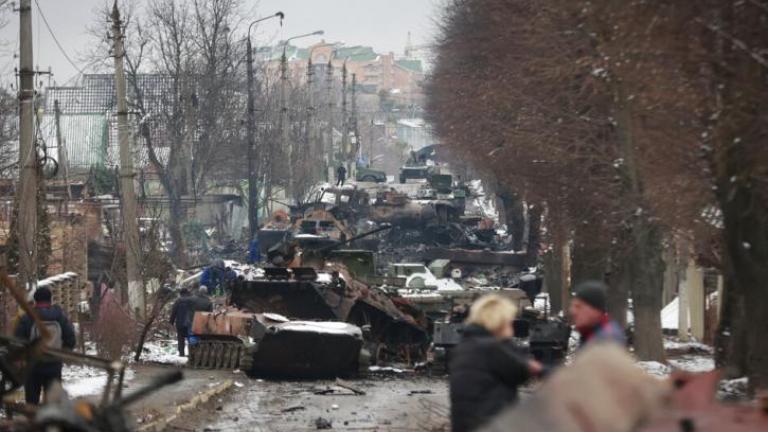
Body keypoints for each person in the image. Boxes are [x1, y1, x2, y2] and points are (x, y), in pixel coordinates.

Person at [450, 294, 544, 432]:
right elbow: (521, 371)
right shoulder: (490, 348)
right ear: (499, 322)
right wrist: (506, 342)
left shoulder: (466, 346)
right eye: (508, 322)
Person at [14, 287, 76, 404]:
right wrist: (63, 353)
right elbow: (71, 339)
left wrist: (21, 359)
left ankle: (32, 420)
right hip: (54, 365)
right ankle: (50, 421)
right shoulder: (60, 317)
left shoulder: (27, 318)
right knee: (52, 403)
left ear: (35, 300)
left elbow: (18, 341)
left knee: (32, 402)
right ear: (50, 299)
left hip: (33, 366)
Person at [569, 280, 627, 348]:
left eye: (579, 306)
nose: (573, 311)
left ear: (594, 309)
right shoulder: (590, 334)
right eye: (573, 306)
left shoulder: (607, 340)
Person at [169, 288, 196, 357]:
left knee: (180, 339)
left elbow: (174, 312)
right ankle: (192, 353)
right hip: (190, 323)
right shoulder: (192, 300)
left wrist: (171, 322)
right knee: (190, 338)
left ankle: (181, 353)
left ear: (180, 293)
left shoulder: (178, 301)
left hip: (180, 323)